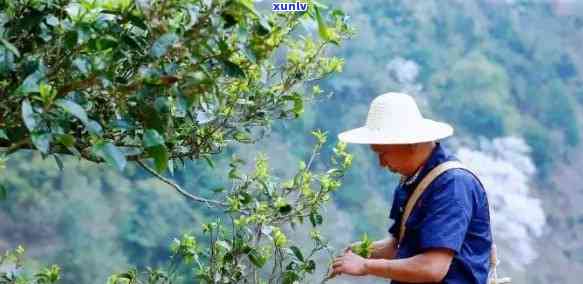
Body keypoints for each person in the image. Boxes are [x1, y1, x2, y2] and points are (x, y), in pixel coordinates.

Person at [331, 92, 492, 283]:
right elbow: (401, 246)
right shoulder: (412, 181)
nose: (381, 163)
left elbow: (432, 267)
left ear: (411, 143)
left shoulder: (453, 185)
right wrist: (363, 250)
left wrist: (366, 266)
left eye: (383, 153)